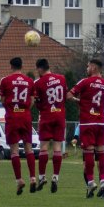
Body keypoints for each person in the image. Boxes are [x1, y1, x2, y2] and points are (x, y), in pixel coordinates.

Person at [67, 58, 104, 198]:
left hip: (87, 122)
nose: (87, 68)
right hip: (101, 122)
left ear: (94, 68)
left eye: (88, 66)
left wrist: (79, 101)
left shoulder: (85, 82)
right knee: (101, 152)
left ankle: (90, 182)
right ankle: (103, 181)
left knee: (88, 152)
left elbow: (68, 95)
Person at [0, 57, 37, 195]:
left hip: (12, 117)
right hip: (25, 116)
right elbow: (32, 100)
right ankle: (33, 177)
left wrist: (10, 108)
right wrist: (25, 110)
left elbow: (2, 99)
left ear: (11, 66)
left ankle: (19, 180)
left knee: (14, 151)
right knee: (29, 149)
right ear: (22, 66)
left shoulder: (5, 80)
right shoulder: (29, 81)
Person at [33, 58, 67, 193]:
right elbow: (64, 95)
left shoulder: (39, 82)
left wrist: (39, 105)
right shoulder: (62, 78)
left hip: (46, 116)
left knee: (44, 148)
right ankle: (55, 177)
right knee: (57, 148)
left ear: (40, 68)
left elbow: (38, 103)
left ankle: (41, 177)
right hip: (60, 115)